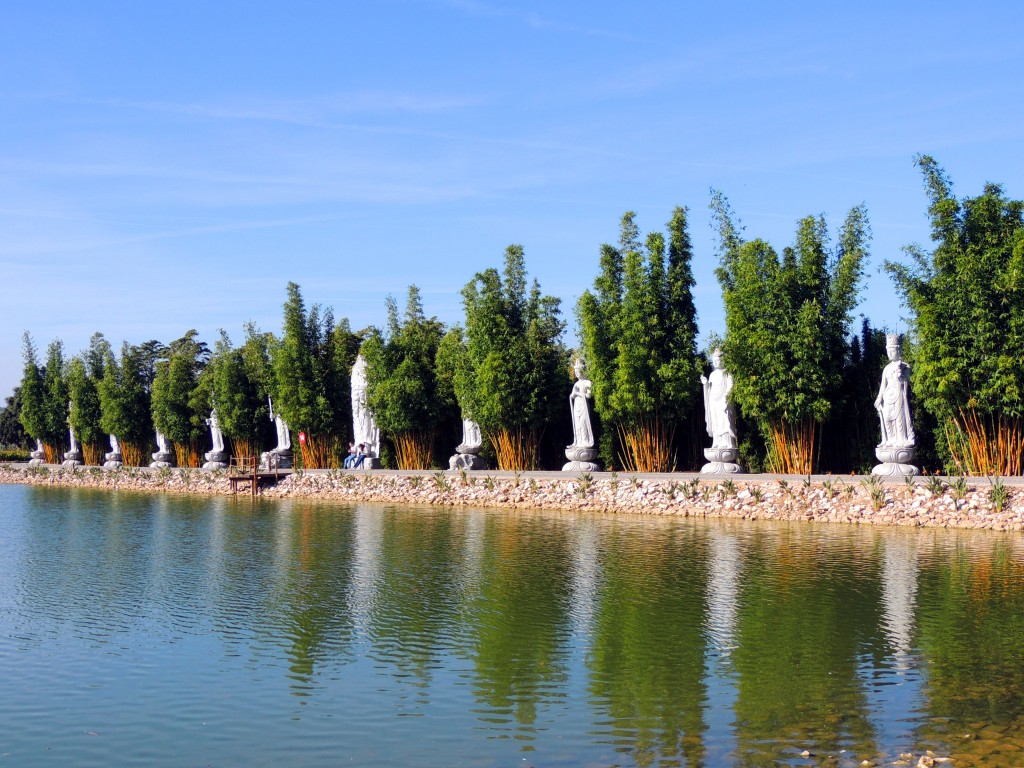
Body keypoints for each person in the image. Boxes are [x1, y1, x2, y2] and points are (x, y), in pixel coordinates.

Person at [875, 334, 915, 447]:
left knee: (899, 419)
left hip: (899, 396)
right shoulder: (887, 369)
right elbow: (883, 386)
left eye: (892, 350)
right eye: (888, 351)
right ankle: (890, 440)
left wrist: (901, 376)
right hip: (888, 397)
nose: (890, 353)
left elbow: (907, 382)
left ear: (899, 350)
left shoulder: (905, 366)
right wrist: (879, 398)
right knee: (887, 417)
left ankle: (901, 440)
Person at [700, 348, 737, 449]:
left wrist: (726, 397)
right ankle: (716, 441)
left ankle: (728, 442)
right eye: (714, 361)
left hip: (723, 400)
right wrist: (705, 384)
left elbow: (731, 386)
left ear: (723, 360)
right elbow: (709, 389)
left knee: (725, 421)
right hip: (713, 401)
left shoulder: (727, 373)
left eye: (718, 360)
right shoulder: (712, 375)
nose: (716, 363)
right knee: (715, 421)